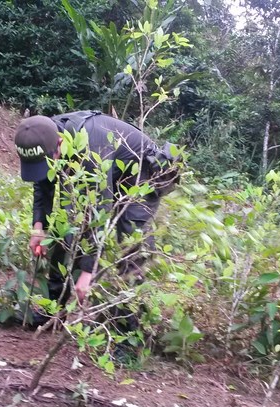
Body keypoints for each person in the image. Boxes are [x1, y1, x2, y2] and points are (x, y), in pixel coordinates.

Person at [14, 111, 177, 326]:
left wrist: (88, 271)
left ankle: (127, 333)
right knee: (65, 230)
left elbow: (99, 210)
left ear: (60, 143)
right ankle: (53, 311)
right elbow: (43, 184)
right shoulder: (44, 135)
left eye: (46, 162)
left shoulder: (91, 150)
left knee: (132, 246)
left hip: (141, 174)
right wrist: (38, 227)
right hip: (107, 169)